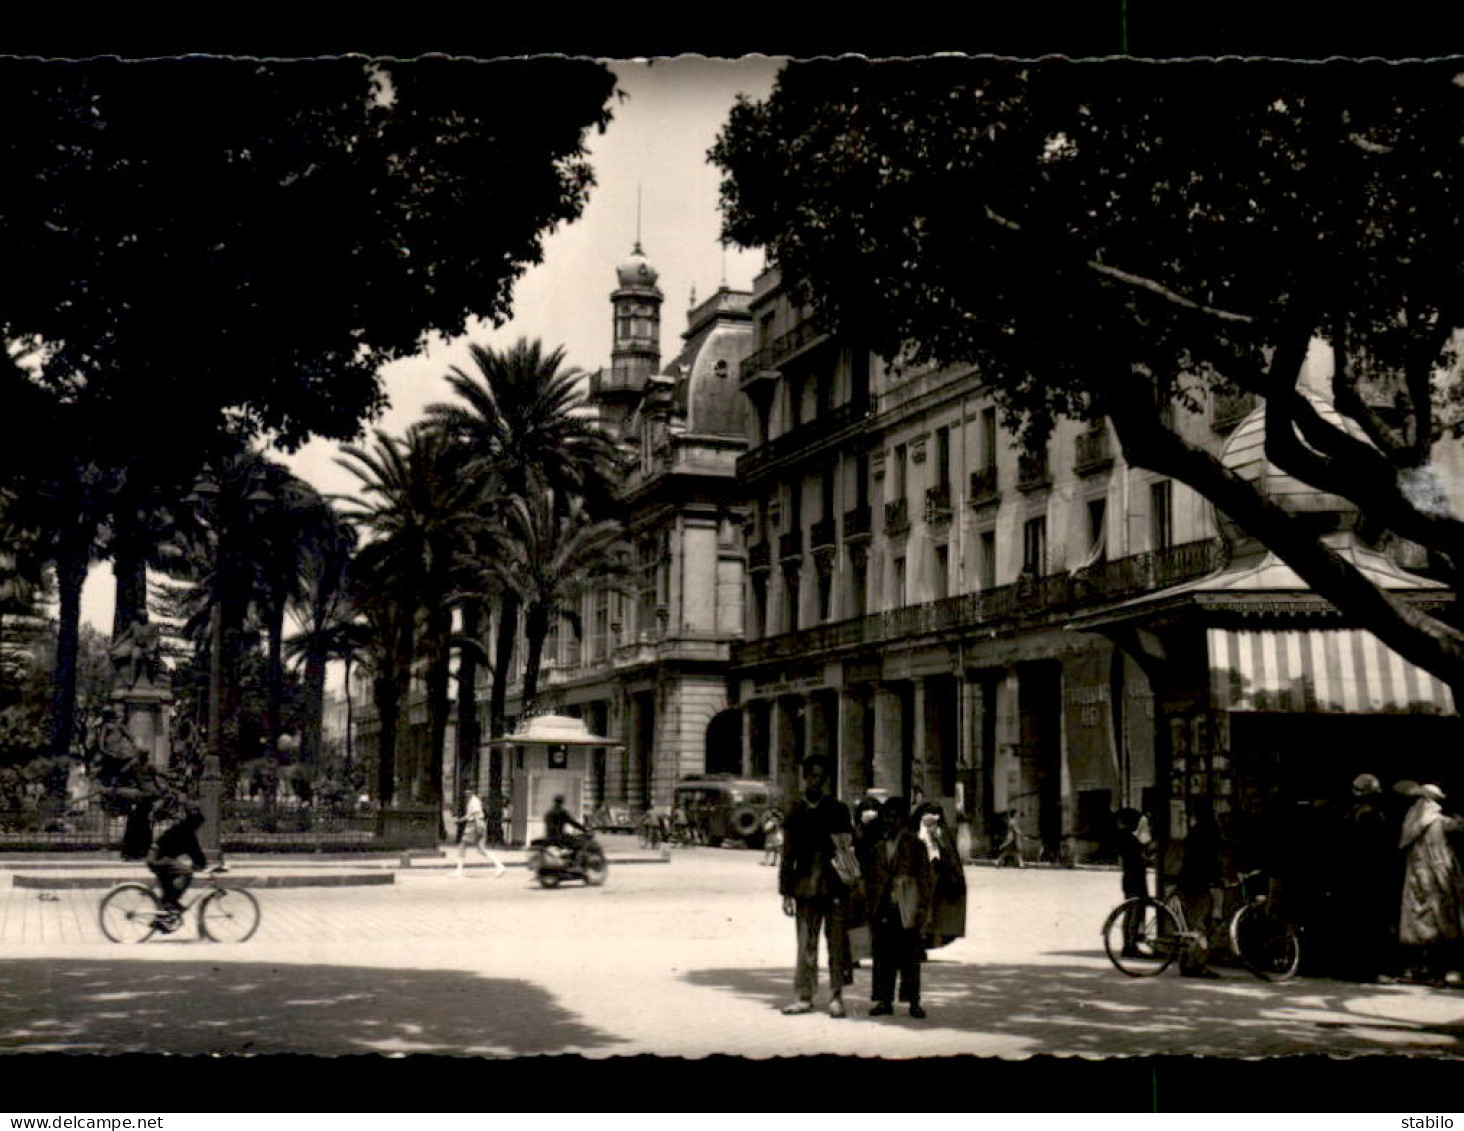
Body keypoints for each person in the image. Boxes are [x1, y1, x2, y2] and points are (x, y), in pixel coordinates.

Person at [778, 754, 855, 1018]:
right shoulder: (796, 810)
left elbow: (847, 850)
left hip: (835, 887)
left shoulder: (838, 810)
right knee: (805, 945)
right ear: (805, 778)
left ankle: (837, 997)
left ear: (827, 780)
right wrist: (786, 892)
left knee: (837, 944)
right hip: (804, 888)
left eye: (821, 777)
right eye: (812, 776)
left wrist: (851, 885)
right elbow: (787, 854)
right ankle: (804, 996)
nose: (816, 781)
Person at [866, 796, 933, 1019]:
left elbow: (924, 878)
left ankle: (914, 1001)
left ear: (903, 820)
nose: (890, 822)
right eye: (887, 817)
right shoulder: (878, 846)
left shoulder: (915, 845)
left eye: (895, 817)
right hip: (883, 906)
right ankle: (884, 1000)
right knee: (882, 956)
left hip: (907, 906)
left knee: (910, 956)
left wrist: (923, 907)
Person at [1333, 773, 1398, 982]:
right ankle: (1369, 970)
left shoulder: (1349, 814)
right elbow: (1378, 852)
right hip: (1369, 878)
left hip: (1351, 878)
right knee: (1370, 925)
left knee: (1353, 924)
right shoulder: (1372, 816)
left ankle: (1351, 969)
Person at [1398, 784, 1464, 985]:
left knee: (1419, 925)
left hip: (1418, 880)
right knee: (1439, 924)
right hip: (1437, 880)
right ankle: (1437, 973)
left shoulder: (1412, 823)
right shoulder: (1442, 823)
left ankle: (1419, 969)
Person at [915, 802, 967, 951]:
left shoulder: (943, 833)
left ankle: (927, 941)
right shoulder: (917, 833)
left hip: (938, 876)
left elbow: (950, 856)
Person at [147, 802, 208, 929]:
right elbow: (197, 855)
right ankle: (171, 905)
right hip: (159, 859)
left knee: (168, 891)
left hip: (155, 857)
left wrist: (200, 863)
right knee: (186, 872)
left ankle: (163, 918)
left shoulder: (181, 828)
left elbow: (196, 855)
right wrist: (205, 866)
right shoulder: (186, 832)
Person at [1115, 807, 1150, 958]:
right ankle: (1130, 944)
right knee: (1134, 911)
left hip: (1129, 877)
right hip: (1134, 877)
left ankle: (1129, 943)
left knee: (1131, 910)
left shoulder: (1123, 836)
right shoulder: (1128, 838)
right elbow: (1137, 858)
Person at [457, 790, 507, 878]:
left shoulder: (474, 801)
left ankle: (459, 870)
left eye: (468, 792)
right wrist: (460, 820)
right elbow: (471, 814)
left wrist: (478, 827)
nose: (466, 793)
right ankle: (500, 866)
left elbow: (476, 815)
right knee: (481, 849)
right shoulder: (473, 801)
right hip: (477, 824)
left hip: (474, 825)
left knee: (462, 846)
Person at [544, 795, 588, 860]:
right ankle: (576, 862)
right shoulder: (562, 812)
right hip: (560, 837)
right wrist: (584, 829)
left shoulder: (548, 813)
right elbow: (573, 822)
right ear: (562, 803)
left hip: (549, 837)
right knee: (580, 843)